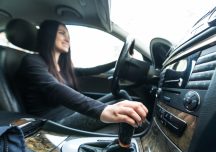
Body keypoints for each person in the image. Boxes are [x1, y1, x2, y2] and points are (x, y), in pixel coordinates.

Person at [16, 20, 148, 132]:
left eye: (68, 34)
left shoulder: (63, 67)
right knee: (123, 107)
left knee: (121, 95)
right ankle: (147, 134)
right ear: (48, 35)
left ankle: (145, 131)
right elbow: (53, 87)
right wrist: (102, 109)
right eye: (62, 33)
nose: (67, 38)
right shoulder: (32, 61)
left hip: (71, 112)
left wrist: (119, 61)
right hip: (52, 122)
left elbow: (93, 70)